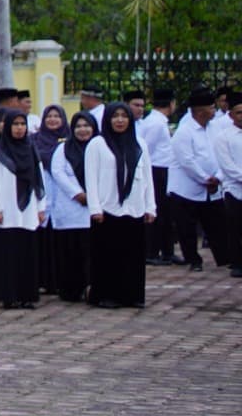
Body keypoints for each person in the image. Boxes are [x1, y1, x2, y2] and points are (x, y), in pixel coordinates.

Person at [84, 103, 157, 308]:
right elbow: (91, 177)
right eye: (115, 116)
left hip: (134, 207)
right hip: (108, 209)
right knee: (107, 255)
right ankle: (106, 295)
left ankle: (132, 295)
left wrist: (150, 206)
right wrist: (95, 208)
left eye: (124, 116)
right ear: (107, 119)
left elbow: (148, 178)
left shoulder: (139, 144)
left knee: (132, 255)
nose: (119, 120)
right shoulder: (97, 144)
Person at [0, 112, 43, 310]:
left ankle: (26, 296)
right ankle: (9, 296)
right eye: (15, 124)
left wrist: (40, 207)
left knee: (27, 254)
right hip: (7, 211)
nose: (20, 128)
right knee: (8, 255)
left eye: (23, 124)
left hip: (28, 210)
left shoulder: (31, 149)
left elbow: (39, 180)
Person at [166, 88, 227, 272]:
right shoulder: (184, 132)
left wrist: (217, 177)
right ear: (200, 111)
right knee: (187, 228)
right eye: (211, 107)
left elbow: (223, 153)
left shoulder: (215, 128)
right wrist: (205, 179)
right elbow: (187, 161)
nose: (214, 110)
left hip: (212, 187)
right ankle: (194, 260)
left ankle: (225, 258)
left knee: (217, 224)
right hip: (187, 188)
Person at [45, 112, 96, 303]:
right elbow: (58, 173)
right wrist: (78, 194)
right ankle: (70, 290)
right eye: (78, 126)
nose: (83, 130)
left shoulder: (99, 147)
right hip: (70, 208)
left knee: (90, 252)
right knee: (70, 252)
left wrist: (93, 194)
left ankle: (91, 287)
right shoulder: (63, 149)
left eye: (86, 126)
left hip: (93, 208)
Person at [218, 93, 242, 277]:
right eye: (239, 112)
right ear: (231, 115)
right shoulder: (224, 137)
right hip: (235, 189)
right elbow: (227, 165)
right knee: (234, 229)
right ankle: (237, 264)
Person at [141, 88, 178, 262]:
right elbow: (147, 148)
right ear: (171, 104)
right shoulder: (155, 123)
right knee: (158, 211)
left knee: (166, 213)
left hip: (163, 169)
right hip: (156, 170)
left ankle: (166, 251)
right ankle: (152, 252)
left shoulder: (157, 121)